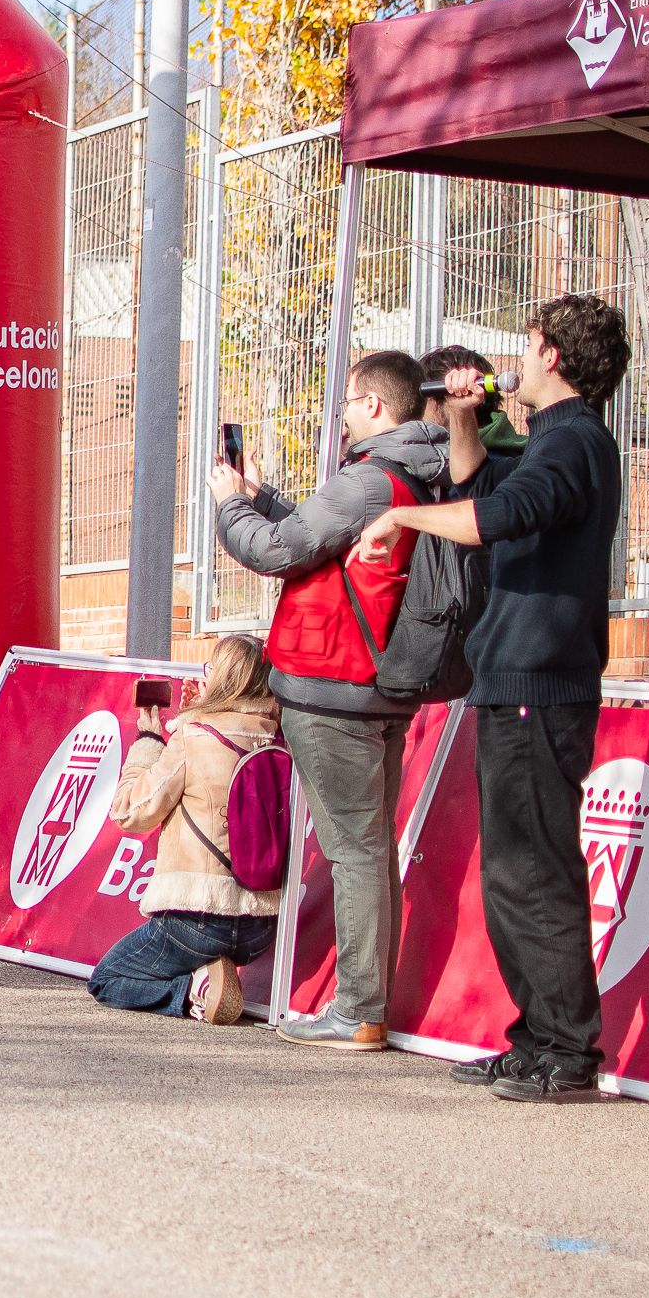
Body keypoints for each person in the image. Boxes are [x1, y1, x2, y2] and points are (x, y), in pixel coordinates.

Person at [360, 294, 629, 1102]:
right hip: (512, 681)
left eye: (528, 343)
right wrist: (468, 416)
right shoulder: (552, 441)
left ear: (549, 354)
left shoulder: (577, 442)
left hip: (539, 687)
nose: (519, 355)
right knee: (514, 872)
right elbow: (485, 477)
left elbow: (500, 514)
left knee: (536, 870)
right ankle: (537, 1036)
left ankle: (569, 1049)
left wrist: (404, 518)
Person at [210, 349, 451, 1052]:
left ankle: (357, 1008)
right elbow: (323, 543)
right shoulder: (421, 473)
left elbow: (278, 553)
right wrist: (263, 500)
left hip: (331, 680)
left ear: (376, 407)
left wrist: (231, 506)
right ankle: (368, 1003)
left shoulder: (367, 479)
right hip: (381, 683)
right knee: (372, 850)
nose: (341, 414)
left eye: (348, 402)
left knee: (354, 852)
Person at [86, 636, 286, 1023]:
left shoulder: (192, 739)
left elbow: (131, 811)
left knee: (109, 978)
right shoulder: (281, 739)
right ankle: (205, 975)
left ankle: (194, 990)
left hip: (198, 918)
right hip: (261, 926)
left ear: (223, 679)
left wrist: (149, 740)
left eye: (210, 669)